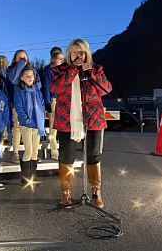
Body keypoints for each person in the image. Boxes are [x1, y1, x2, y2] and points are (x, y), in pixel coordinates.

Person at [51, 39, 112, 208]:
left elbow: (106, 89)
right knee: (66, 156)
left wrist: (91, 73)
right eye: (74, 52)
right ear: (69, 54)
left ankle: (95, 191)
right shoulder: (60, 70)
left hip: (93, 118)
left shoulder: (96, 69)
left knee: (93, 155)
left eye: (81, 52)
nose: (78, 55)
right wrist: (72, 72)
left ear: (87, 54)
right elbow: (55, 89)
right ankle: (66, 191)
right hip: (67, 120)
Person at [6, 50, 42, 164]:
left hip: (32, 101)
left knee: (33, 129)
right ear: (15, 58)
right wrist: (21, 64)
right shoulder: (12, 69)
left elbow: (38, 83)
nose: (22, 58)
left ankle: (33, 153)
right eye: (20, 57)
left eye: (24, 56)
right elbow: (13, 79)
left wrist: (31, 86)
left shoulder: (33, 70)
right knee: (17, 128)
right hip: (17, 101)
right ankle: (16, 153)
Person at [14, 66, 46, 185]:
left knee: (35, 151)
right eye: (27, 76)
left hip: (37, 124)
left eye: (31, 76)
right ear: (22, 78)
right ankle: (25, 177)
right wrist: (26, 120)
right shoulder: (20, 91)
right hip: (27, 124)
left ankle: (33, 176)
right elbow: (19, 108)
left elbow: (42, 106)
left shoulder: (37, 91)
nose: (29, 78)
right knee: (28, 150)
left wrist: (40, 120)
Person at [43, 47, 65, 160]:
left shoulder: (65, 71)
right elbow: (47, 88)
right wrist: (48, 103)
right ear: (53, 59)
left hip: (64, 100)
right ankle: (54, 151)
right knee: (53, 127)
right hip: (54, 100)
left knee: (62, 126)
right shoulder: (49, 71)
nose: (62, 60)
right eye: (59, 58)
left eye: (63, 58)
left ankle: (62, 149)